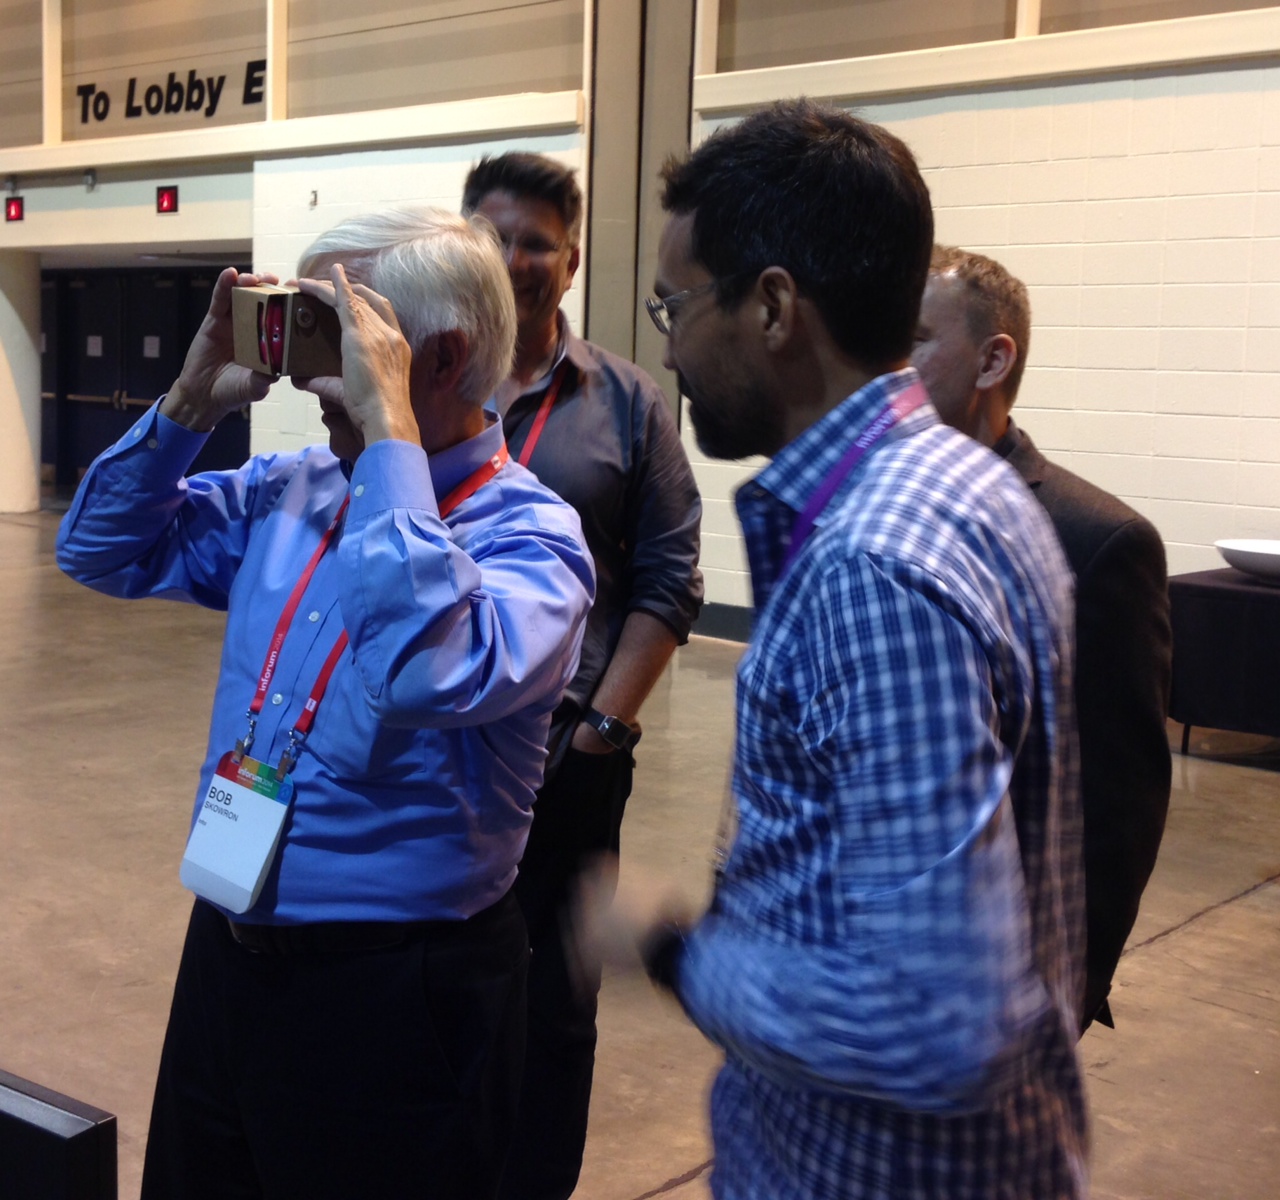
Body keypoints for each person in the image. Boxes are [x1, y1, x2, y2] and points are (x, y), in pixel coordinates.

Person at [576, 99, 1089, 1199]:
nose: (667, 348)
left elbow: (941, 1022)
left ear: (772, 307)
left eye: (676, 305)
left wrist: (674, 949)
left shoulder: (874, 565)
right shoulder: (969, 487)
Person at [56, 207, 596, 1200]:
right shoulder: (297, 489)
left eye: (337, 336)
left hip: (392, 996)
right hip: (229, 945)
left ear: (441, 357)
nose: (308, 374)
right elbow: (99, 548)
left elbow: (425, 668)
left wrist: (391, 439)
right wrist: (188, 403)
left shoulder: (532, 541)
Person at [460, 153, 703, 1200]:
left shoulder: (630, 405)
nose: (514, 260)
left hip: (569, 758)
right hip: (434, 754)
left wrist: (603, 731)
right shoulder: (419, 380)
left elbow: (669, 582)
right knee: (432, 983)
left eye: (537, 243)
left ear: (569, 260)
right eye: (493, 238)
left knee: (553, 1004)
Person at [912, 244, 1173, 1032]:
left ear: (993, 361)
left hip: (993, 987)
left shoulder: (1093, 541)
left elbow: (1117, 807)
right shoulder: (859, 510)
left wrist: (1067, 990)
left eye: (914, 340)